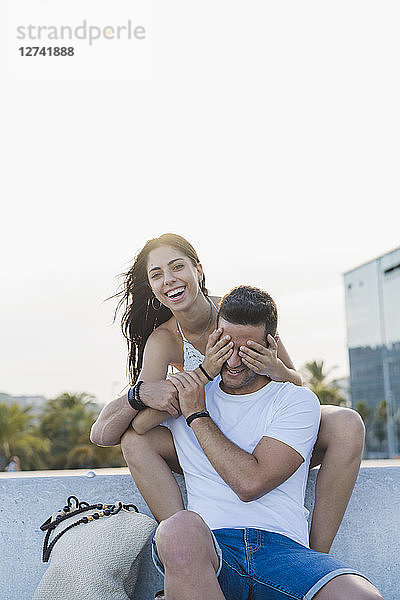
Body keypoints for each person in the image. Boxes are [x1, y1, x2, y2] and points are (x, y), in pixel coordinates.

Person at [90, 233, 365, 554]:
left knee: (346, 424)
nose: (169, 280)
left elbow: (295, 385)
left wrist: (275, 369)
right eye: (157, 274)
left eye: (177, 267)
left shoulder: (238, 312)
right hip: (208, 431)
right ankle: (187, 551)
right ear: (152, 287)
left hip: (261, 427)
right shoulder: (163, 340)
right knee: (135, 442)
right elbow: (142, 424)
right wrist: (201, 375)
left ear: (199, 271)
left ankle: (316, 557)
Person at [150, 286, 382, 600]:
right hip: (214, 551)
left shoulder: (296, 400)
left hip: (284, 554)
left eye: (247, 350)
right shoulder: (191, 388)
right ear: (213, 339)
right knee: (177, 529)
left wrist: (196, 414)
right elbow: (107, 434)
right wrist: (148, 393)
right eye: (225, 345)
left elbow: (249, 483)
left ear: (269, 346)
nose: (233, 360)